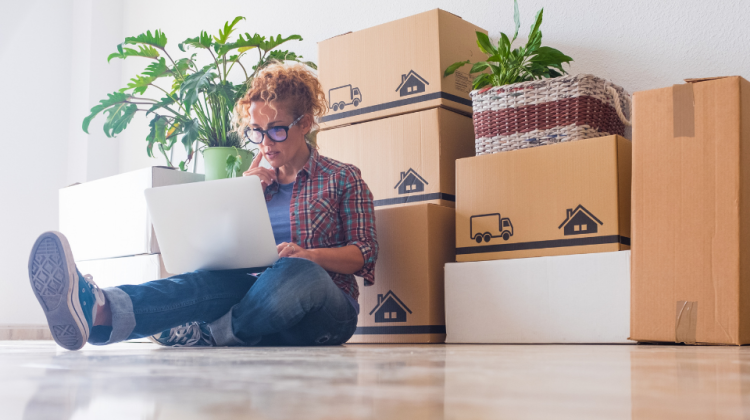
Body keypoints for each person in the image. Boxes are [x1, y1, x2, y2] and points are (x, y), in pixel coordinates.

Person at [28, 63, 378, 350]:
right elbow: (228, 253)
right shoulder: (253, 183)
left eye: (277, 130)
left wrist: (309, 256)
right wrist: (244, 189)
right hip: (260, 303)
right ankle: (98, 309)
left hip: (325, 314)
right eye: (256, 132)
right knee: (203, 281)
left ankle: (209, 333)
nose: (266, 143)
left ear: (304, 124)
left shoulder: (342, 177)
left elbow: (364, 253)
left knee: (298, 273)